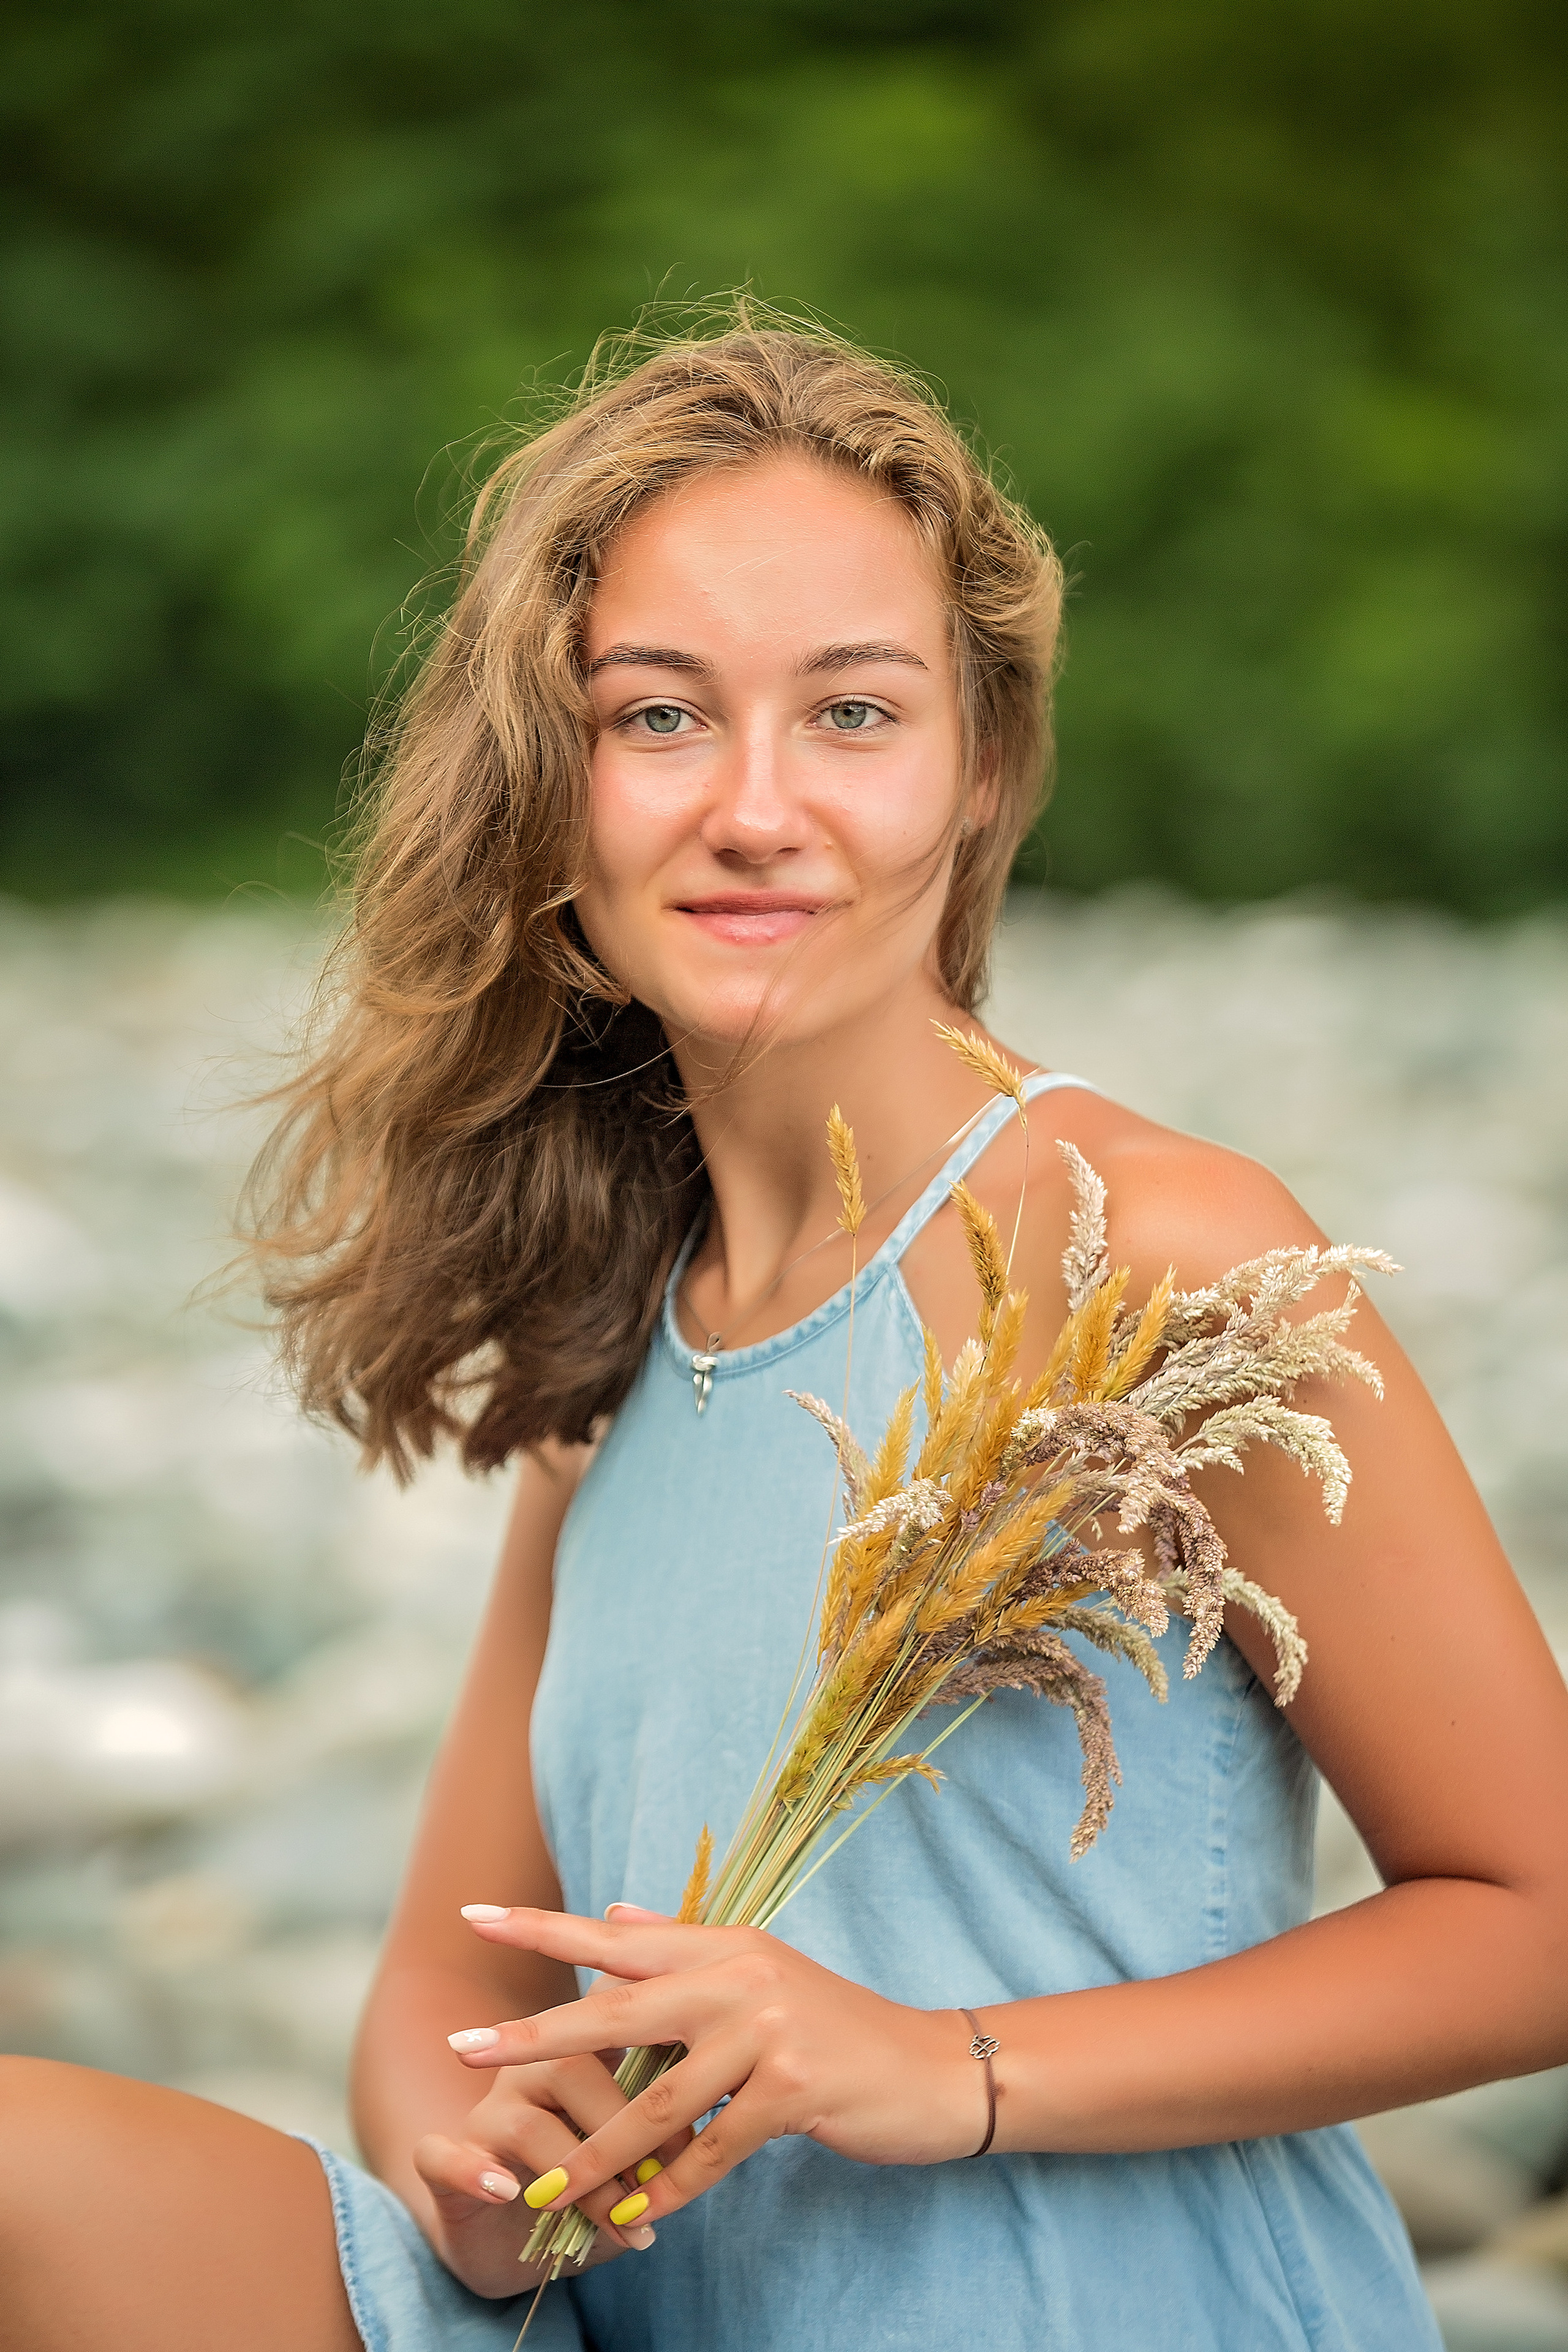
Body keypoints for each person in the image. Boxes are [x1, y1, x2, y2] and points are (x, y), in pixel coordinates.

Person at [4, 312, 1567, 2352]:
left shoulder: (1154, 1254)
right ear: (552, 796)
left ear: (981, 764)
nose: (755, 807)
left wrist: (951, 2066)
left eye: (852, 713)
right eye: (660, 719)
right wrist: (487, 2181)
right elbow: (442, 1996)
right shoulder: (612, 1347)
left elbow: (1536, 1918)